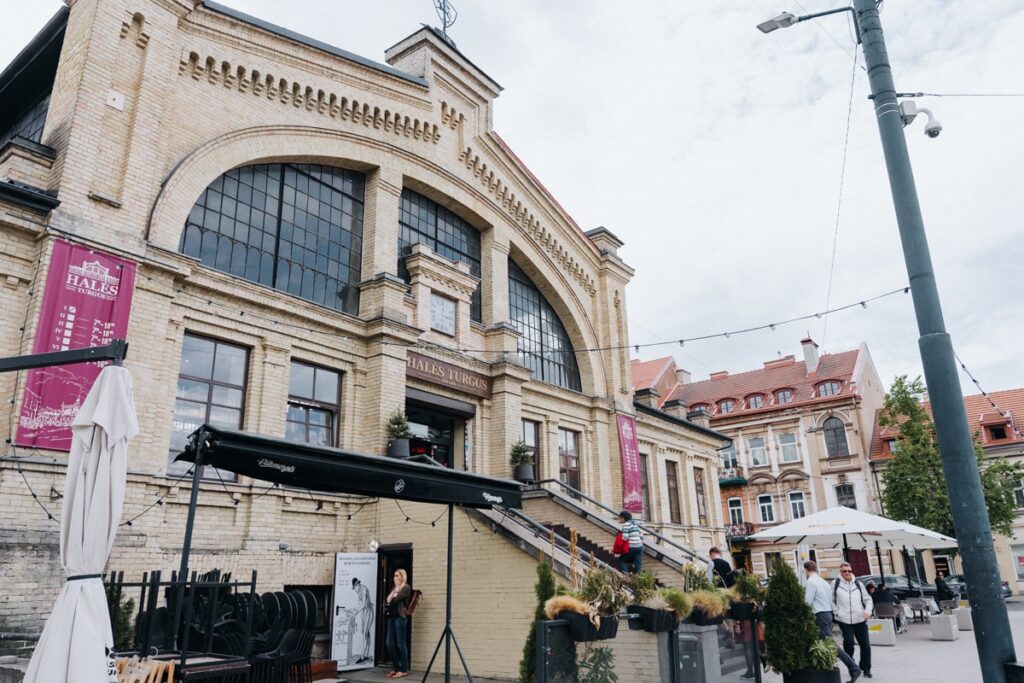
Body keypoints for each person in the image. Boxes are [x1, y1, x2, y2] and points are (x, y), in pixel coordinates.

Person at [804, 561, 861, 682]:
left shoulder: (811, 582)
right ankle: (823, 668)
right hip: (827, 614)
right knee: (821, 644)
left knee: (831, 645)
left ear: (806, 570)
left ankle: (854, 668)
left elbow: (807, 603)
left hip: (819, 616)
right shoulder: (824, 582)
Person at [833, 562, 873, 680]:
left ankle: (866, 669)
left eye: (849, 571)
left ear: (851, 571)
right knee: (849, 643)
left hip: (860, 619)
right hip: (844, 619)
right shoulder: (835, 583)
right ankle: (853, 667)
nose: (847, 573)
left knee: (865, 645)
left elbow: (868, 600)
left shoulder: (858, 584)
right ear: (840, 572)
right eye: (844, 571)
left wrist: (867, 611)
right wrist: (837, 612)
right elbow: (832, 600)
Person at [385, 568, 412, 679]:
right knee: (389, 643)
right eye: (394, 575)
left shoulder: (406, 588)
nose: (395, 577)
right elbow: (388, 600)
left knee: (401, 644)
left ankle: (404, 669)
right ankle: (396, 668)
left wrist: (396, 590)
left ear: (402, 577)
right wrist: (395, 589)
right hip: (392, 618)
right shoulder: (395, 588)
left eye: (397, 575)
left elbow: (395, 600)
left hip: (400, 618)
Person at [352, 577, 374, 664]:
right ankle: (366, 655)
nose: (355, 590)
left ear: (357, 585)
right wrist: (353, 611)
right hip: (364, 612)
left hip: (368, 611)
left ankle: (362, 656)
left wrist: (356, 611)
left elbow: (364, 604)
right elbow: (359, 604)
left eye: (355, 587)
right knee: (366, 633)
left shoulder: (363, 590)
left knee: (365, 633)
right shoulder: (359, 591)